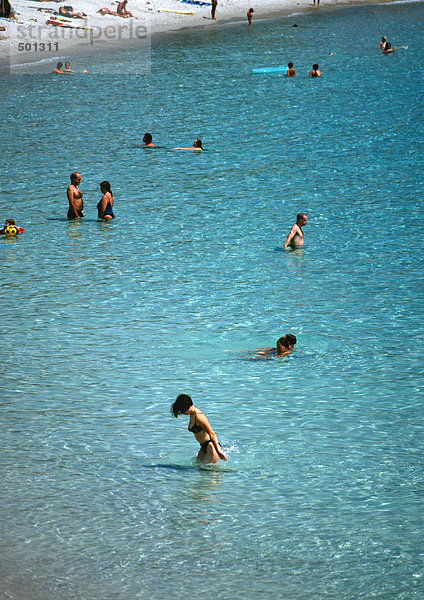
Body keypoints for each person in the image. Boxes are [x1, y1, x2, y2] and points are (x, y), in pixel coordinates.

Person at [171, 394, 227, 464]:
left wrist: (219, 451)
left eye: (183, 411)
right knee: (198, 468)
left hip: (211, 446)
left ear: (188, 407)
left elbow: (211, 433)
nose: (183, 413)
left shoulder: (199, 416)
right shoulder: (192, 414)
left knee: (211, 473)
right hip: (203, 447)